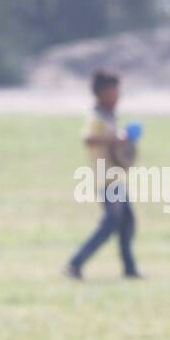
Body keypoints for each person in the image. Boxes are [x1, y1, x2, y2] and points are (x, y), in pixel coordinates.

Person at [64, 69, 141, 280]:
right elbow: (88, 139)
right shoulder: (96, 116)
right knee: (111, 224)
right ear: (103, 92)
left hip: (115, 177)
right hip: (105, 179)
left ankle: (129, 268)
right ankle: (75, 263)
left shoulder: (108, 115)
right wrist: (117, 140)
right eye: (115, 91)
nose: (118, 95)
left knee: (126, 222)